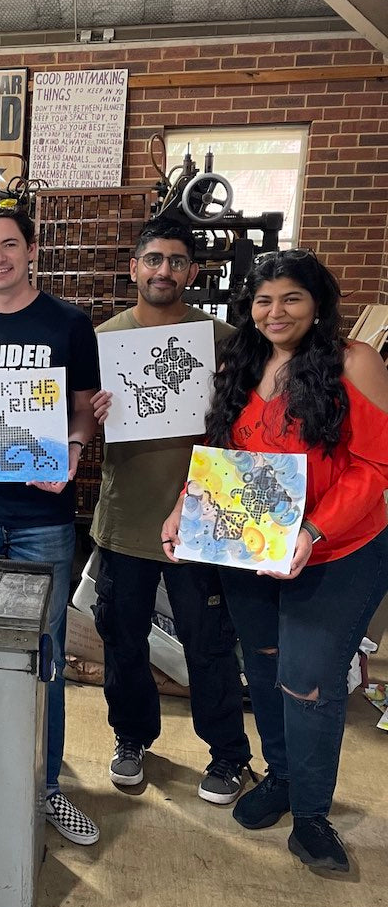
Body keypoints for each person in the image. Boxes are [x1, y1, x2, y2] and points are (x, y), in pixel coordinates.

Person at [162, 249, 388, 873]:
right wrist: (186, 505)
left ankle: (312, 815)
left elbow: (375, 466)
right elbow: (221, 455)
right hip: (252, 550)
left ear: (317, 302)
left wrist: (314, 530)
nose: (275, 311)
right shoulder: (243, 361)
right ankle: (284, 777)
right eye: (264, 300)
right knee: (263, 669)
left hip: (337, 552)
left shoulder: (353, 363)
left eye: (290, 297)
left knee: (309, 682)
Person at [0, 200, 100, 845]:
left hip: (45, 517)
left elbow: (86, 409)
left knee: (48, 654)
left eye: (9, 245)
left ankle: (46, 786)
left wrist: (76, 452)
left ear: (31, 251)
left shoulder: (69, 324)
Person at [91, 217, 252, 803]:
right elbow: (81, 422)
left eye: (176, 261)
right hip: (126, 518)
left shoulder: (225, 339)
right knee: (123, 638)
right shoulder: (106, 338)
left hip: (203, 521)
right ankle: (131, 737)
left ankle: (229, 755)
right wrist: (97, 412)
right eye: (153, 259)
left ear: (192, 270)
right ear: (134, 268)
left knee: (208, 642)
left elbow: (248, 427)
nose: (164, 271)